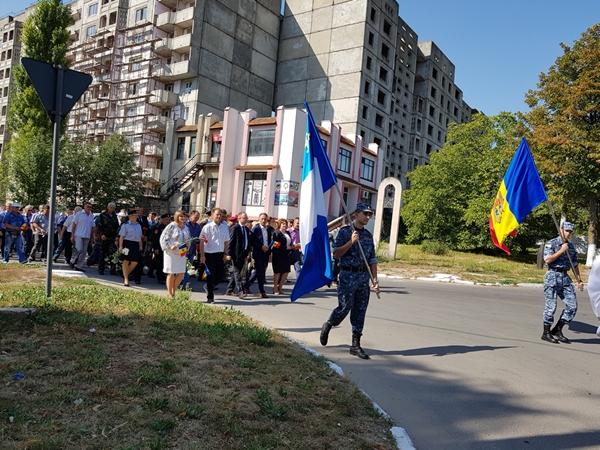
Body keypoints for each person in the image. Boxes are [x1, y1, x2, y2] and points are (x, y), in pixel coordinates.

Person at [319, 202, 380, 360]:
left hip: (363, 277)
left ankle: (355, 345)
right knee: (345, 307)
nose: (368, 217)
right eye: (365, 213)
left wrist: (375, 279)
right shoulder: (345, 232)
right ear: (356, 214)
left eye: (370, 214)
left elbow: (372, 259)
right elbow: (336, 254)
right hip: (347, 275)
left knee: (360, 310)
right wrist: (351, 242)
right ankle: (329, 324)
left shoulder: (368, 236)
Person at [541, 221, 584, 344]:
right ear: (561, 230)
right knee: (551, 306)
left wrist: (579, 280)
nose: (568, 233)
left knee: (572, 306)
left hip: (565, 277)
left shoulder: (570, 246)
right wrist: (561, 250)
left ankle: (557, 329)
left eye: (570, 231)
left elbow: (574, 264)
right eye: (566, 231)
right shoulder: (552, 243)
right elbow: (548, 260)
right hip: (552, 276)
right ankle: (546, 333)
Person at [199, 207, 229, 303]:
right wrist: (202, 255)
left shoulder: (224, 227)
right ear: (212, 215)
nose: (219, 216)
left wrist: (225, 253)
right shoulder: (207, 227)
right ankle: (210, 297)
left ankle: (209, 286)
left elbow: (226, 241)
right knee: (210, 275)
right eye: (217, 214)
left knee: (221, 275)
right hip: (210, 254)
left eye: (220, 215)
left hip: (220, 254)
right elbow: (202, 241)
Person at [160, 209, 191, 298]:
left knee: (181, 272)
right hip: (171, 252)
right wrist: (170, 246)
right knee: (171, 272)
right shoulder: (171, 226)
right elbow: (163, 238)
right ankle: (170, 293)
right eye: (181, 216)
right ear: (176, 217)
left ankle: (174, 290)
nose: (183, 218)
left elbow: (189, 238)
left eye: (184, 216)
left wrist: (188, 244)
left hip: (181, 251)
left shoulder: (186, 228)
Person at [243, 213, 274, 298]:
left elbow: (268, 241)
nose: (263, 221)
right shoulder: (256, 229)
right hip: (258, 252)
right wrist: (261, 247)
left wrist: (269, 252)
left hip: (265, 253)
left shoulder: (268, 229)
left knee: (258, 270)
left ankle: (246, 285)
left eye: (265, 219)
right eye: (262, 219)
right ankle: (262, 291)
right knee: (260, 272)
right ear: (259, 219)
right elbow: (252, 241)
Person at [226, 211, 251, 298]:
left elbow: (247, 242)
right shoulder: (235, 228)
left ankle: (229, 289)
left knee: (237, 272)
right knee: (237, 273)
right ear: (239, 219)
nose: (246, 219)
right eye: (244, 218)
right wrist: (229, 253)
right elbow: (231, 241)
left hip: (243, 253)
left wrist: (247, 253)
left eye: (246, 217)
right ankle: (241, 291)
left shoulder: (246, 229)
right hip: (236, 254)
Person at [118, 209, 143, 287]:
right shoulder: (125, 225)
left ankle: (125, 273)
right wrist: (120, 246)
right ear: (129, 217)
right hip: (127, 243)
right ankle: (126, 279)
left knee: (134, 262)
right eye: (132, 217)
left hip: (135, 244)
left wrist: (140, 245)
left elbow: (139, 236)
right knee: (126, 261)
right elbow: (121, 237)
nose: (134, 218)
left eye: (135, 217)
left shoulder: (138, 225)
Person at [71, 202, 96, 272]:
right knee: (79, 249)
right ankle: (72, 261)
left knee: (84, 252)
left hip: (87, 235)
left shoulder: (91, 216)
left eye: (90, 207)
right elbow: (74, 224)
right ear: (84, 207)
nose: (89, 208)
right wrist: (72, 235)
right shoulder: (79, 214)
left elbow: (93, 227)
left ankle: (79, 266)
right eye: (88, 207)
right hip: (78, 234)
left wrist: (92, 237)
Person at [96, 202, 120, 275]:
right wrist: (102, 234)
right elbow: (99, 226)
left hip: (112, 238)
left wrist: (117, 237)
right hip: (104, 237)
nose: (112, 209)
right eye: (111, 207)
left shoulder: (115, 216)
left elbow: (117, 227)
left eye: (113, 208)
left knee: (112, 254)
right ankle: (101, 269)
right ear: (108, 207)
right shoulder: (102, 215)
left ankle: (113, 270)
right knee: (102, 254)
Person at [181, 210, 201, 289]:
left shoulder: (197, 226)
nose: (196, 219)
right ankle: (178, 283)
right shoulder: (185, 224)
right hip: (183, 249)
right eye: (195, 217)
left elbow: (199, 238)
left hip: (192, 250)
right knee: (182, 267)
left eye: (198, 218)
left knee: (189, 268)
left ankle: (185, 285)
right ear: (190, 216)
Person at [272, 218, 292, 295]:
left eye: (285, 224)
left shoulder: (287, 233)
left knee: (286, 270)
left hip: (286, 254)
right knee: (277, 271)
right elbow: (275, 243)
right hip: (278, 254)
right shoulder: (277, 233)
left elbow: (289, 241)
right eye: (283, 223)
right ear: (279, 225)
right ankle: (275, 288)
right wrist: (285, 247)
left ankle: (280, 286)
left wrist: (292, 246)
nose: (284, 225)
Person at [150, 213, 171, 285]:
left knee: (166, 263)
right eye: (166, 219)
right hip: (160, 248)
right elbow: (155, 239)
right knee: (160, 263)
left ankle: (164, 276)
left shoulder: (171, 228)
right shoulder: (158, 228)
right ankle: (160, 277)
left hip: (168, 249)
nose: (168, 221)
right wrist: (156, 248)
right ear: (162, 220)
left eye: (169, 220)